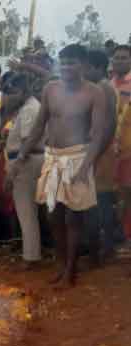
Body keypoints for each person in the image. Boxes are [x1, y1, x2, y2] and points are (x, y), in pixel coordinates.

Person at [17, 44, 108, 287]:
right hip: (52, 157)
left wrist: (85, 166)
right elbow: (38, 126)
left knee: (73, 218)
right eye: (64, 61)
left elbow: (98, 135)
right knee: (52, 215)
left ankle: (71, 271)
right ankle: (61, 265)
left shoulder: (94, 92)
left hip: (78, 156)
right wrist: (21, 156)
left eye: (73, 62)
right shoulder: (51, 89)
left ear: (83, 65)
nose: (67, 67)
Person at [5, 73, 45, 268]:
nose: (10, 96)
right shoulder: (30, 107)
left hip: (25, 162)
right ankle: (32, 254)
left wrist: (13, 170)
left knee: (26, 210)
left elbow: (27, 142)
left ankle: (30, 257)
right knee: (29, 211)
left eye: (13, 92)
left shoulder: (30, 109)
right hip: (29, 160)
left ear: (22, 91)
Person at [85, 49, 120, 265]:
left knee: (101, 201)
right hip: (97, 150)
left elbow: (110, 125)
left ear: (98, 68)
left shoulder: (105, 88)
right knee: (97, 201)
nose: (84, 71)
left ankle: (104, 249)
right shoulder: (98, 87)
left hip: (102, 152)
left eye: (87, 67)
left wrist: (96, 152)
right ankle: (99, 247)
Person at [111, 45, 131, 240]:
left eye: (124, 58)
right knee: (115, 194)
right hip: (110, 149)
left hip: (128, 149)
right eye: (116, 58)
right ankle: (117, 235)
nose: (119, 61)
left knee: (127, 193)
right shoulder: (109, 84)